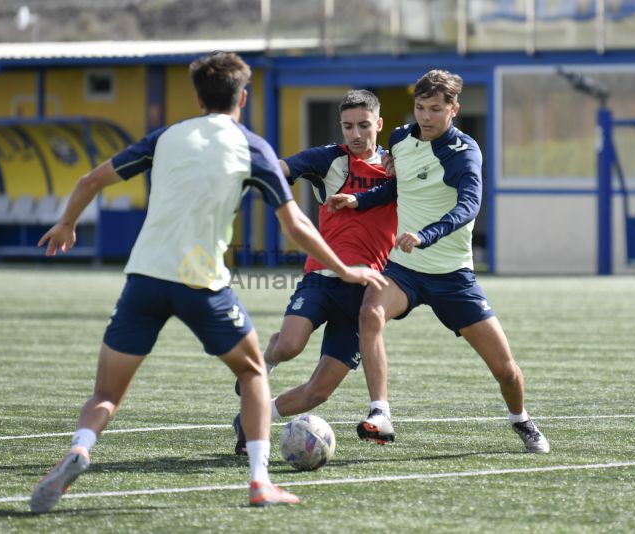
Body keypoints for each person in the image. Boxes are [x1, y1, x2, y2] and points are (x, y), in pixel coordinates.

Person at [29, 51, 386, 513]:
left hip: (144, 278)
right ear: (243, 96)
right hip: (202, 283)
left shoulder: (168, 136)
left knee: (105, 394)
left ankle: (80, 448)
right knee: (254, 372)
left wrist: (66, 225)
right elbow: (295, 225)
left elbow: (90, 180)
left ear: (198, 96)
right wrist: (344, 268)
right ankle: (259, 481)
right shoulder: (249, 146)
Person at [327, 69, 550, 454]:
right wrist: (359, 200)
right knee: (370, 313)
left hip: (453, 277)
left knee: (506, 370)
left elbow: (469, 206)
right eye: (419, 107)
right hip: (405, 269)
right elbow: (399, 186)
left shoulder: (464, 153)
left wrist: (426, 234)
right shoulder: (400, 138)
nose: (425, 117)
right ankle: (380, 412)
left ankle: (521, 420)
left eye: (434, 109)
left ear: (453, 109)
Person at [232, 89, 396, 455]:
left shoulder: (397, 166)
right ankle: (267, 360)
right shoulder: (328, 160)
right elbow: (280, 168)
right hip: (322, 278)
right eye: (348, 126)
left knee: (318, 391)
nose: (355, 134)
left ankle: (252, 416)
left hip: (365, 293)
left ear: (379, 124)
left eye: (364, 126)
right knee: (289, 345)